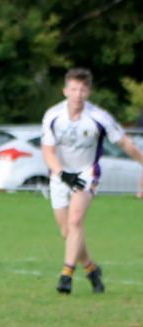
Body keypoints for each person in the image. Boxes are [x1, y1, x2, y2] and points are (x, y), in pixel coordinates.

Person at [40, 68, 143, 294]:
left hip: (87, 173)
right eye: (74, 89)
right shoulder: (53, 115)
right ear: (65, 90)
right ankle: (91, 268)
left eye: (82, 90)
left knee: (76, 221)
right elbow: (47, 151)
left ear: (88, 92)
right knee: (67, 232)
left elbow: (126, 144)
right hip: (60, 175)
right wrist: (61, 173)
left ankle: (66, 275)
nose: (78, 94)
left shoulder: (99, 117)